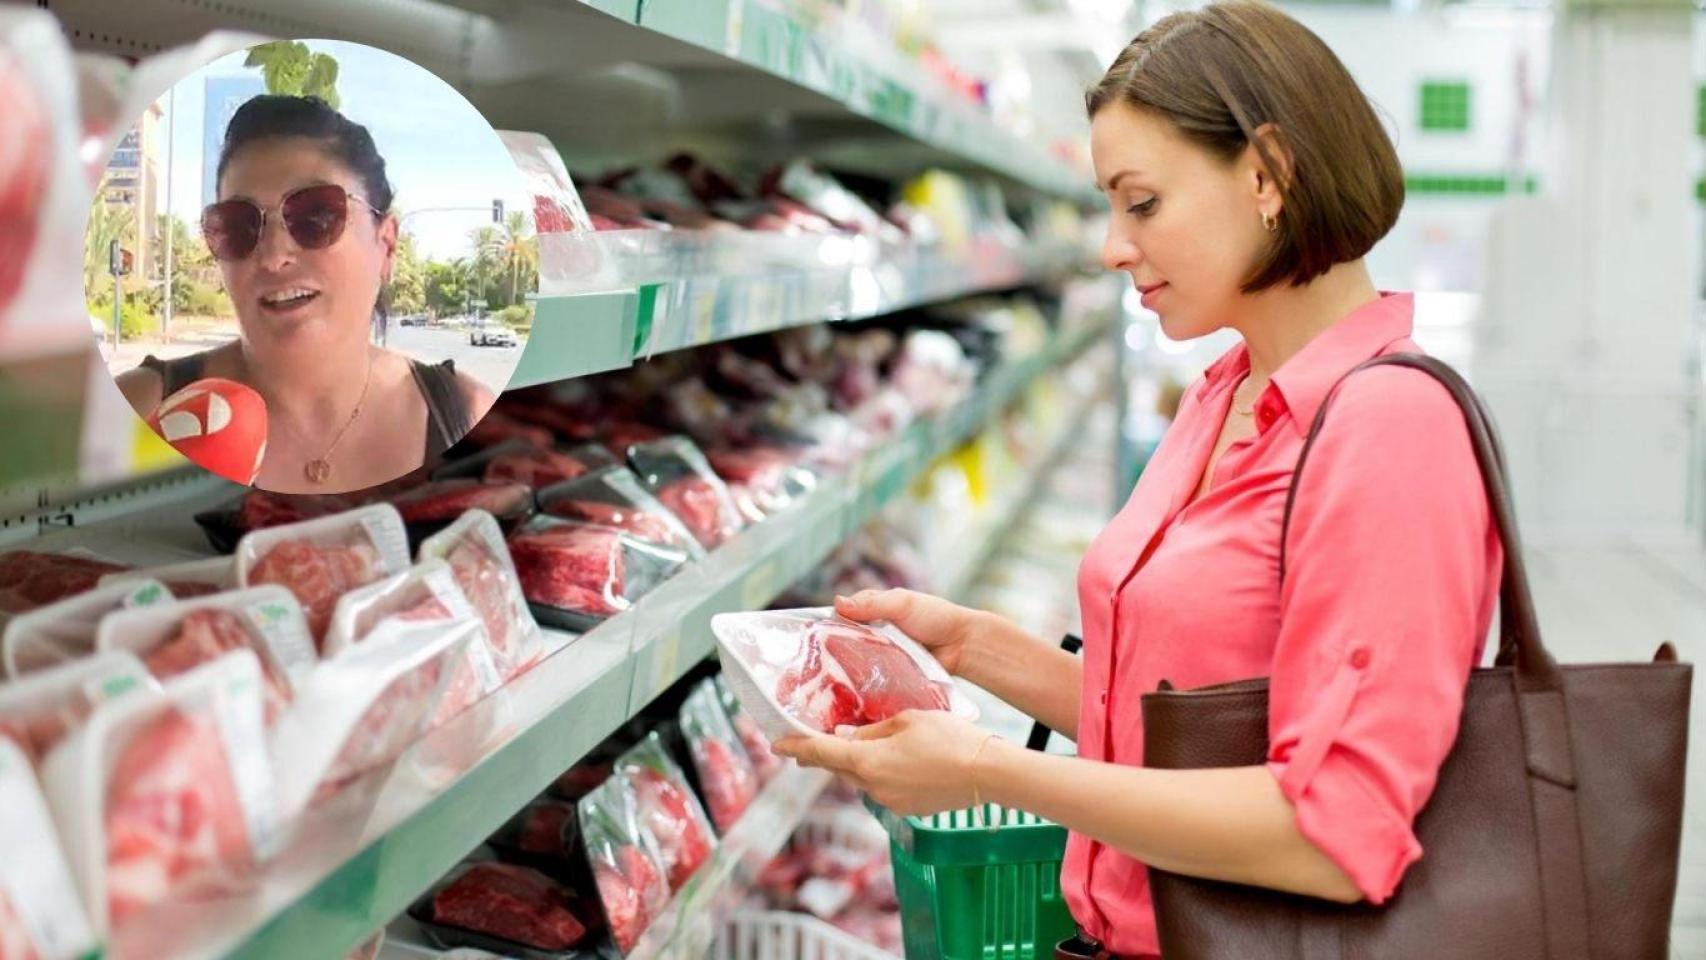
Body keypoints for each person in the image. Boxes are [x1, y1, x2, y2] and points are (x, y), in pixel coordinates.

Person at [772, 3, 1504, 957]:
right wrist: (971, 646)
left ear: (1268, 173)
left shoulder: (1389, 430)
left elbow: (1334, 833)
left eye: (1142, 202)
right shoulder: (1224, 394)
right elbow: (1186, 721)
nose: (1113, 245)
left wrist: (993, 772)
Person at [117, 95, 494, 492]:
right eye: (237, 225)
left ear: (386, 244)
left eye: (316, 216)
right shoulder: (135, 410)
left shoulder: (467, 414)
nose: (274, 256)